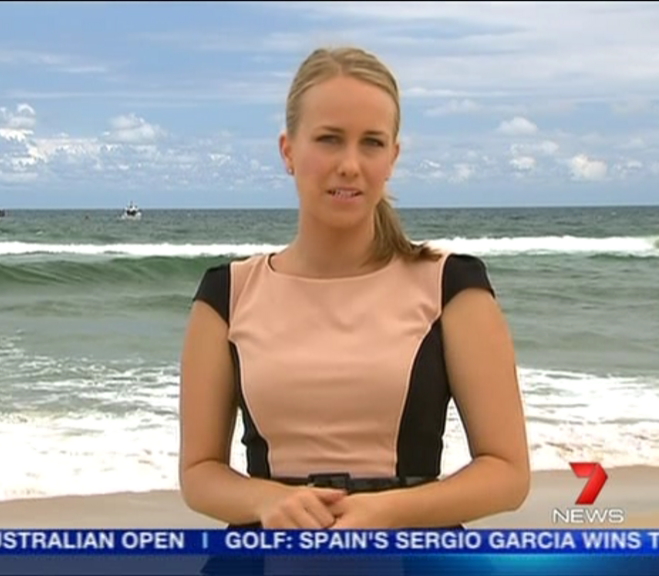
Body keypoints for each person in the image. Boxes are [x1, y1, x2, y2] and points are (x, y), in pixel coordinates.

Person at [177, 45, 531, 533]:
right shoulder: (227, 295)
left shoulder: (451, 287)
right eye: (329, 139)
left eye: (371, 143)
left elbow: (507, 473)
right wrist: (267, 502)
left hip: (413, 556)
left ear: (393, 157)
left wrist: (386, 512)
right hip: (266, 556)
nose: (349, 164)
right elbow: (199, 474)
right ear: (288, 150)